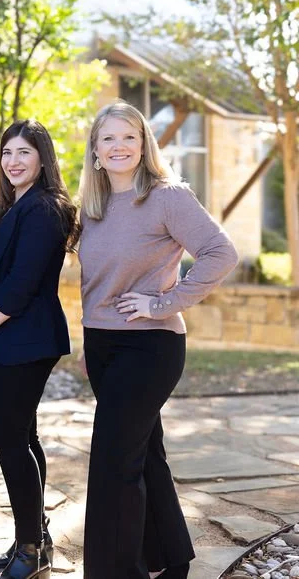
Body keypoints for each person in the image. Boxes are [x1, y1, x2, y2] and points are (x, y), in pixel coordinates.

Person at [78, 101, 238, 579]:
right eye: (109, 138)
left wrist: (164, 302)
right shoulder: (92, 208)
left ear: (145, 144)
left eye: (129, 136)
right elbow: (95, 285)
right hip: (104, 346)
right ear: (95, 150)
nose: (119, 146)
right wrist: (91, 341)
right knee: (143, 454)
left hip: (150, 346)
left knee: (112, 464)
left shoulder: (167, 196)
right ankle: (171, 560)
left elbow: (220, 253)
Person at [0, 120, 79, 579]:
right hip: (1, 335)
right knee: (23, 437)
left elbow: (20, 285)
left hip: (27, 337)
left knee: (10, 440)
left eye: (24, 153)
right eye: (7, 153)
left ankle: (30, 552)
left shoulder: (47, 208)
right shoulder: (5, 209)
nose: (13, 161)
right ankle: (34, 538)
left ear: (42, 158)